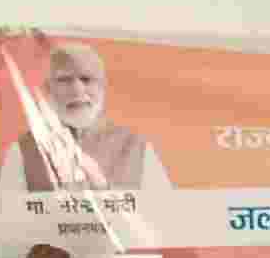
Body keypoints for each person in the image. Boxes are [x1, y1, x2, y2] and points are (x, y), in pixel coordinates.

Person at [10, 40, 163, 194]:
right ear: (48, 89)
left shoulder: (137, 147)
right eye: (64, 80)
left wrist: (103, 188)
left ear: (102, 86)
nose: (77, 90)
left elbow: (163, 207)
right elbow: (7, 208)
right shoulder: (25, 149)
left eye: (86, 79)